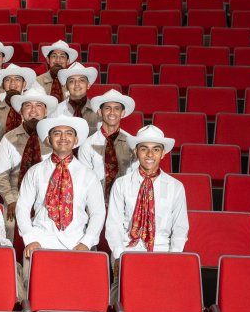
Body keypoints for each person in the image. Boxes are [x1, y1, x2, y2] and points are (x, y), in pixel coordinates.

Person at [18, 116, 105, 260]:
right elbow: (22, 207)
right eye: (57, 133)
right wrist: (30, 239)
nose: (63, 137)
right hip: (41, 242)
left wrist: (86, 242)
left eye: (69, 133)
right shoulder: (35, 171)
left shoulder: (88, 175)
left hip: (76, 242)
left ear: (76, 140)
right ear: (48, 140)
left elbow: (98, 212)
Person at [106, 125, 189, 271]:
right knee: (119, 291)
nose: (150, 154)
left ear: (163, 153)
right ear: (136, 151)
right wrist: (119, 256)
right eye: (144, 148)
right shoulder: (121, 184)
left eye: (156, 149)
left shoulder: (176, 187)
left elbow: (180, 227)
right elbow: (114, 225)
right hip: (128, 251)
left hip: (163, 250)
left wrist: (175, 257)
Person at [0, 88, 58, 240]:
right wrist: (11, 200)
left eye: (39, 106)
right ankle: (12, 262)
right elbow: (0, 175)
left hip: (47, 197)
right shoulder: (9, 138)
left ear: (46, 111)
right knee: (9, 224)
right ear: (21, 112)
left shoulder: (55, 139)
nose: (33, 111)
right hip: (17, 194)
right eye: (28, 106)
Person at [78, 89, 137, 200]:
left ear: (122, 113)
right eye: (107, 108)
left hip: (125, 201)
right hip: (95, 201)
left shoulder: (132, 144)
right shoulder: (87, 144)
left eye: (117, 108)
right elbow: (84, 180)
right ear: (100, 112)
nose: (112, 112)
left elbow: (136, 177)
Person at [0, 63, 37, 153]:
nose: (12, 83)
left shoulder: (32, 111)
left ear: (24, 84)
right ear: (3, 85)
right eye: (8, 80)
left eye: (17, 79)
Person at [53, 62, 100, 135]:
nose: (77, 84)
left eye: (82, 80)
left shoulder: (98, 111)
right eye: (71, 81)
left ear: (88, 85)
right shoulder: (56, 111)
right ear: (66, 86)